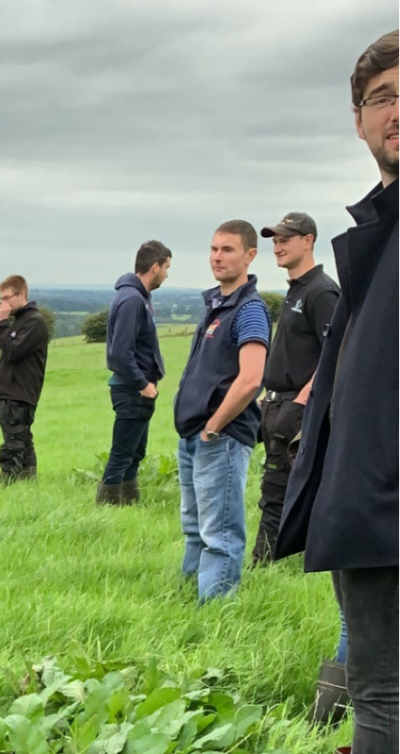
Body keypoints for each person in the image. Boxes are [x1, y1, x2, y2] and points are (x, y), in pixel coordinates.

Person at [276, 30, 399, 754]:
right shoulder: (378, 234)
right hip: (363, 508)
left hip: (384, 506)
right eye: (382, 98)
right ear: (358, 121)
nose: (396, 111)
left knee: (383, 696)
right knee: (377, 689)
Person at [173, 220, 271, 603]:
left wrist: (213, 427)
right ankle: (187, 599)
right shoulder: (217, 306)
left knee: (220, 533)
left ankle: (214, 614)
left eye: (228, 249)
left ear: (249, 255)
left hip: (222, 437)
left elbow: (251, 379)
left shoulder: (249, 310)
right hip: (194, 435)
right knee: (195, 527)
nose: (217, 257)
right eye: (214, 249)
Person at [252, 213, 340, 563]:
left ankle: (262, 567)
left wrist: (301, 404)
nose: (277, 246)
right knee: (278, 489)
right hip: (275, 406)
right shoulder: (295, 291)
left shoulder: (321, 292)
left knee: (277, 491)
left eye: (285, 239)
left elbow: (334, 354)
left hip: (297, 412)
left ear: (308, 241)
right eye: (274, 240)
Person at [98, 241, 172, 505]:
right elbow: (120, 352)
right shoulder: (131, 299)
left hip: (136, 389)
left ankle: (129, 505)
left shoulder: (138, 296)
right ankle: (105, 509)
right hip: (131, 388)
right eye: (166, 268)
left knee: (134, 453)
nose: (166, 274)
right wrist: (143, 384)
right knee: (121, 454)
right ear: (154, 267)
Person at [0, 275, 50, 486]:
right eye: (1, 299)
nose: (3, 304)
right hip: (10, 395)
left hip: (19, 395)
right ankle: (27, 487)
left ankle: (6, 489)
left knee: (14, 444)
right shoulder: (21, 322)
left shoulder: (34, 322)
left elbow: (12, 351)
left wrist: (2, 323)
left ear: (21, 294)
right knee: (22, 441)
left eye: (7, 298)